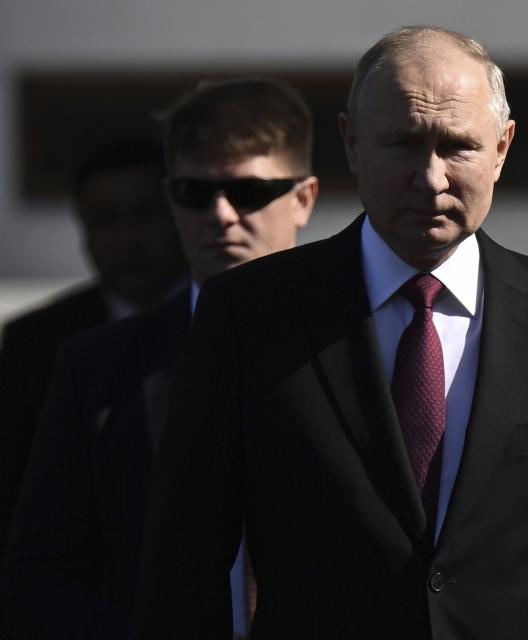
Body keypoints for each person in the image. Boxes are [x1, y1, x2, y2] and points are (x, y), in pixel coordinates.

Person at [132, 26, 528, 640]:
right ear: (351, 143)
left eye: (457, 147)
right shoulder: (250, 315)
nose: (430, 178)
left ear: (502, 148)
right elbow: (183, 567)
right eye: (401, 144)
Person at [0, 78, 318, 640]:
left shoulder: (367, 342)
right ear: (173, 199)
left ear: (303, 198)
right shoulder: (93, 366)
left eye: (247, 193)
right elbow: (38, 579)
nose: (221, 215)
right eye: (196, 193)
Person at [0, 137, 186, 570]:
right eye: (105, 220)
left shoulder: (224, 317)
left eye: (145, 216)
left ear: (178, 213)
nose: (128, 239)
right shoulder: (35, 344)